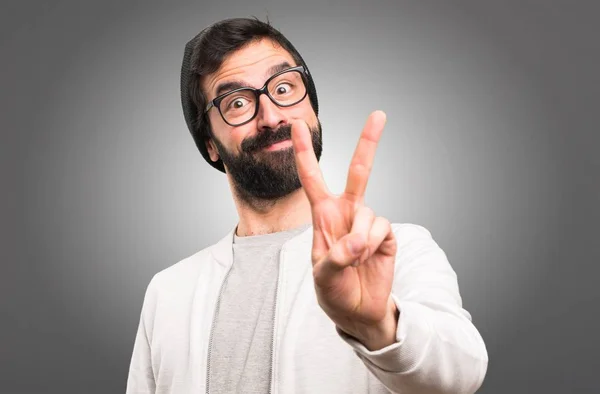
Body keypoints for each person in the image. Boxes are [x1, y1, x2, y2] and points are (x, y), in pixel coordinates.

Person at [126, 17, 488, 394]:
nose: (271, 116)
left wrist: (377, 325)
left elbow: (461, 373)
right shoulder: (167, 292)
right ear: (211, 145)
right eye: (236, 103)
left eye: (284, 87)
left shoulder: (394, 249)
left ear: (312, 108)